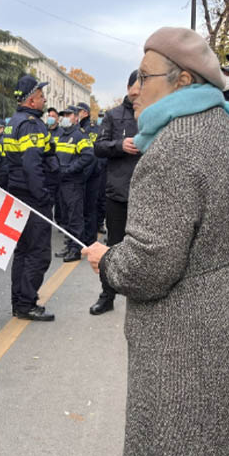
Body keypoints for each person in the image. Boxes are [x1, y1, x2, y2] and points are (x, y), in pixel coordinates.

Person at [82, 27, 229, 456]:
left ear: (183, 80)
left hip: (188, 338)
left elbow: (150, 264)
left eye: (145, 77)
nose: (134, 89)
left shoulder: (173, 146)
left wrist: (107, 261)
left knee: (182, 451)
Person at [3, 75, 58, 321]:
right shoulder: (31, 124)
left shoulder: (13, 122)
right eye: (42, 95)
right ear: (32, 99)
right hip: (32, 197)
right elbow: (32, 164)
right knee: (38, 253)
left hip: (16, 193)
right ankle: (27, 303)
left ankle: (19, 302)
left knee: (23, 251)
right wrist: (43, 196)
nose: (45, 99)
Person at [89, 70, 141, 315]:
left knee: (145, 247)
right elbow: (98, 146)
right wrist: (119, 146)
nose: (138, 95)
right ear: (128, 88)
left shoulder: (154, 114)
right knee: (113, 245)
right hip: (117, 192)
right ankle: (107, 295)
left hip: (146, 193)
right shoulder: (112, 115)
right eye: (135, 90)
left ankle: (142, 297)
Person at [53, 105, 94, 262]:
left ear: (76, 118)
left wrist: (70, 169)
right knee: (66, 216)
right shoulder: (61, 135)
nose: (64, 117)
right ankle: (70, 245)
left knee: (75, 216)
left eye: (68, 115)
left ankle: (76, 249)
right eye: (63, 114)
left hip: (73, 182)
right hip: (61, 182)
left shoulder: (80, 135)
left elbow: (88, 156)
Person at [77, 102, 100, 246]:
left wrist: (85, 175)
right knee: (85, 208)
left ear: (85, 113)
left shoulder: (88, 129)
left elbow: (91, 154)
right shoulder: (80, 128)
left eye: (78, 112)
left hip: (91, 173)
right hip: (86, 173)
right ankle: (86, 237)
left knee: (90, 208)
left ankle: (90, 240)